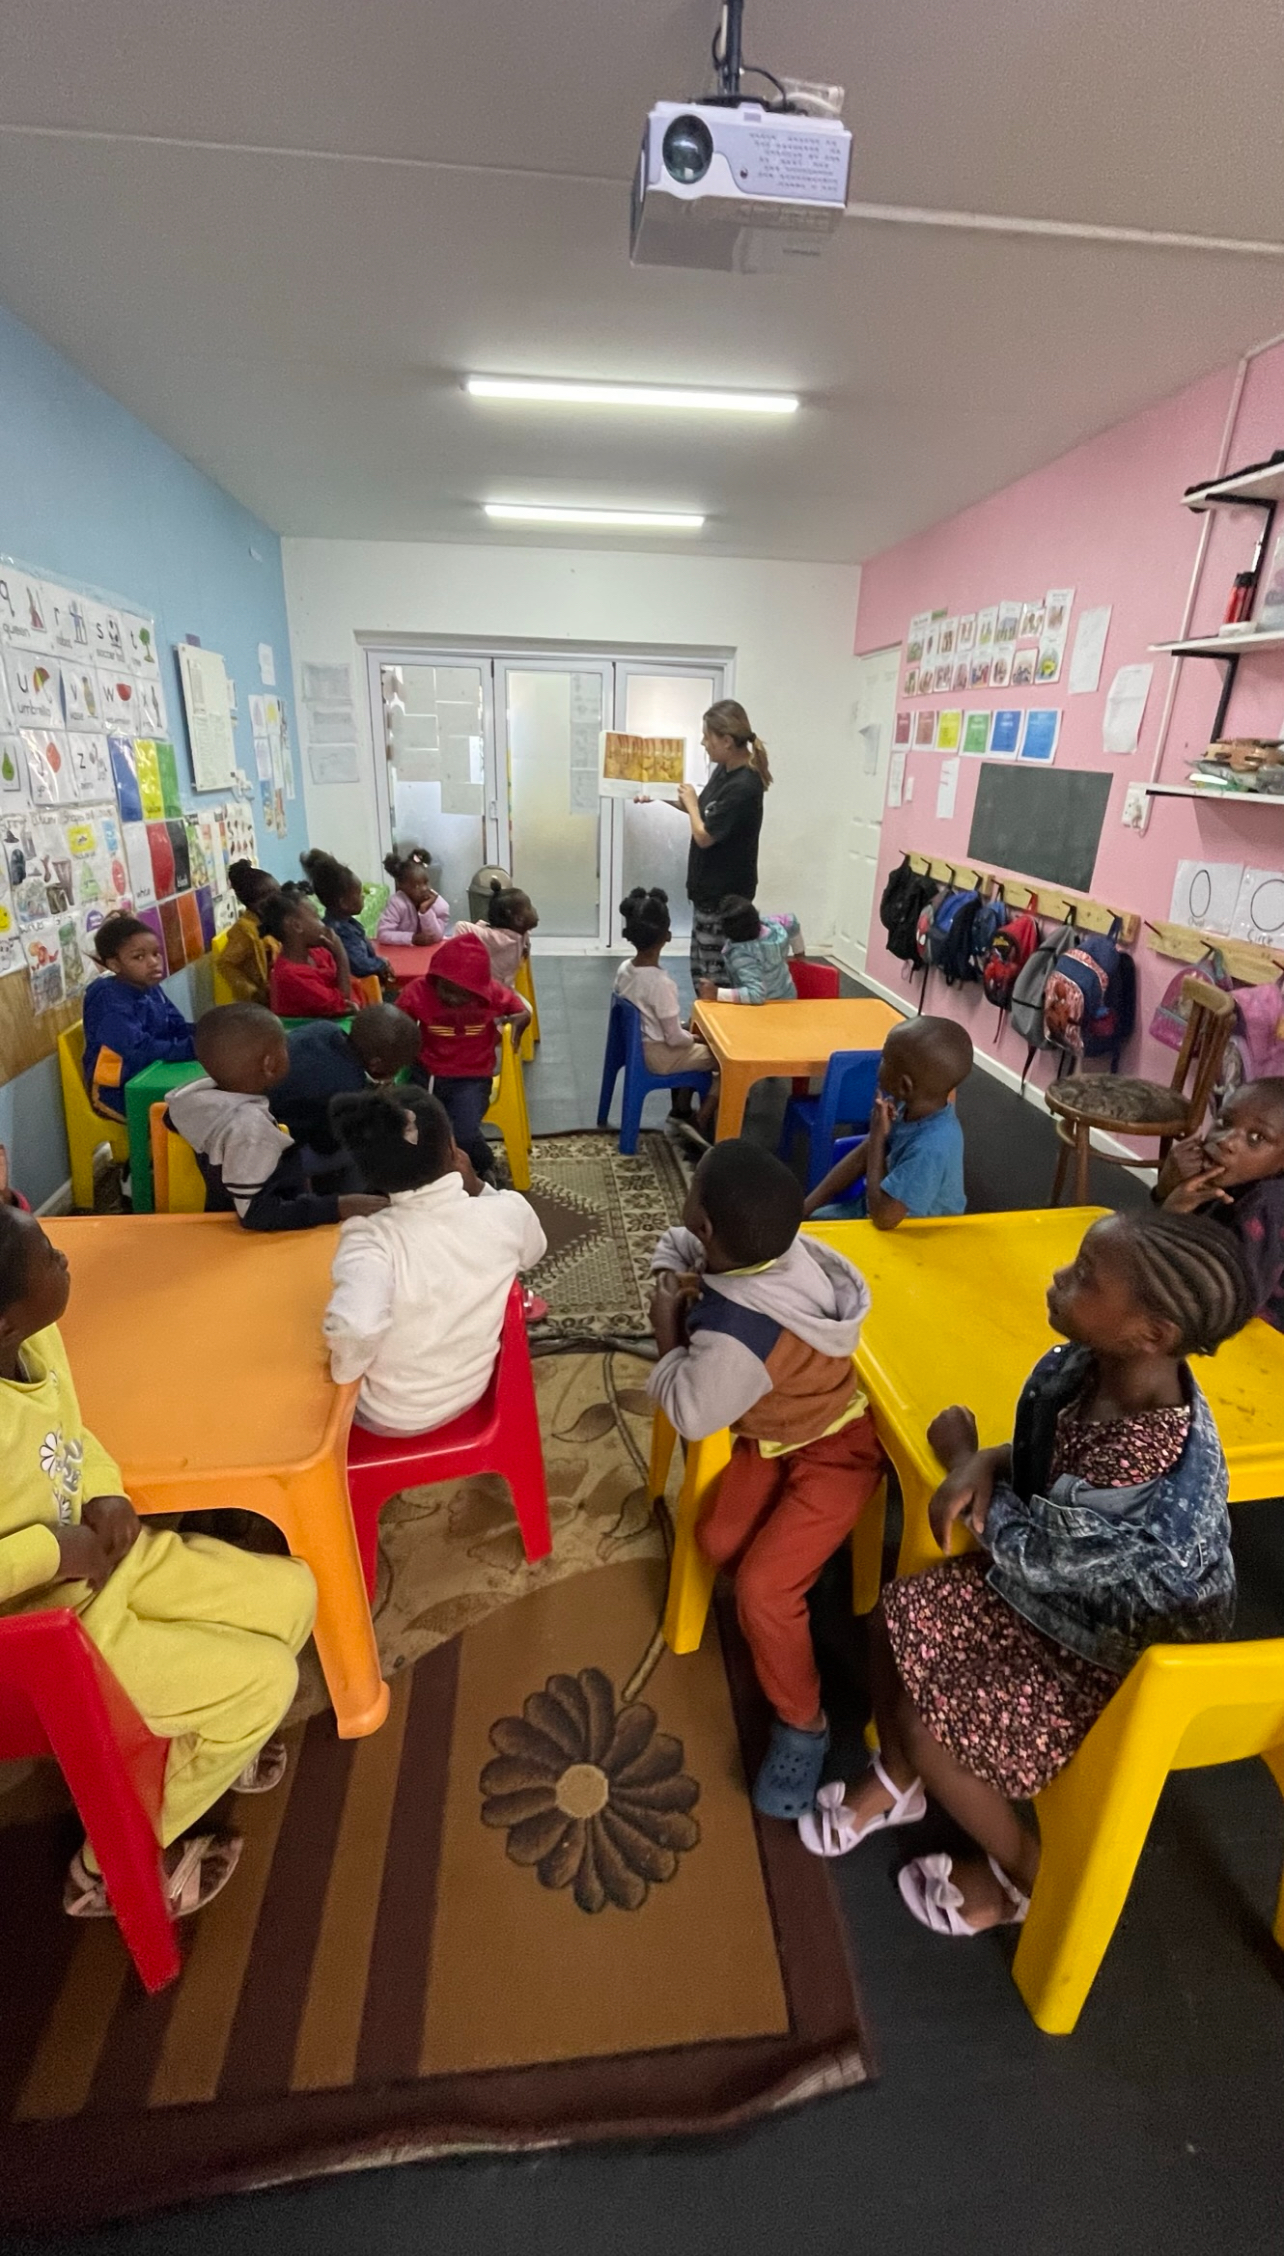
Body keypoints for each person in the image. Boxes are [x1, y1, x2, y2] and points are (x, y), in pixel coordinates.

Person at [799, 1210, 1254, 1940]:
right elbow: (1050, 1464)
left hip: (1118, 1648)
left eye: (1082, 1279)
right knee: (895, 1613)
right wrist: (987, 1461)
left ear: (1153, 1333)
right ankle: (901, 1784)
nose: (1059, 1282)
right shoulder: (1089, 1365)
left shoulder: (1143, 1455)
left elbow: (1044, 1552)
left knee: (932, 1726)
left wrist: (959, 1459)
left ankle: (1023, 1871)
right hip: (1062, 1596)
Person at [0, 1202, 317, 1923]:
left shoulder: (37, 1345)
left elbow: (74, 1438)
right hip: (41, 1635)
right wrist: (59, 1548)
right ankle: (111, 1862)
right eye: (49, 1254)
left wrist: (107, 1492)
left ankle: (190, 1741)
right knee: (263, 1685)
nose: (65, 1258)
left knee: (293, 1595)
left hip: (105, 1568)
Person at [647, 1140, 884, 1819]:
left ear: (709, 1229)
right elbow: (678, 1242)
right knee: (717, 1541)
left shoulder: (738, 1332)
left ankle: (805, 1724)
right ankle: (795, 1590)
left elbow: (693, 1411)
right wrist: (676, 1267)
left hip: (838, 1452)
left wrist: (668, 1330)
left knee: (759, 1589)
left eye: (692, 1205)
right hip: (778, 1440)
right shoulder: (776, 1247)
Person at [325, 1084, 547, 1434]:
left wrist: (342, 1370)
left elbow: (358, 1325)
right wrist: (479, 1188)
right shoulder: (505, 1211)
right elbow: (533, 1251)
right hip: (474, 1392)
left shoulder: (370, 1240)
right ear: (452, 1150)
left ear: (368, 1174)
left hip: (389, 1416)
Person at [166, 1005, 387, 1229]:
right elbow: (257, 1214)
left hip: (222, 1208)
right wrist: (337, 1206)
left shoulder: (196, 1099)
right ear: (269, 1064)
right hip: (251, 1235)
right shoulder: (251, 1130)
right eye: (285, 1045)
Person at [647, 700, 771, 991]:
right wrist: (654, 793)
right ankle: (702, 1027)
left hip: (725, 895)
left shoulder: (744, 786)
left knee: (718, 974)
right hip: (706, 892)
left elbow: (704, 835)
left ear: (726, 740)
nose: (703, 743)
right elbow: (702, 813)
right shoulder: (725, 770)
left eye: (707, 736)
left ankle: (720, 1030)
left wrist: (691, 803)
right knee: (700, 967)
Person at [803, 1016, 972, 1226]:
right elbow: (860, 1158)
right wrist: (805, 1209)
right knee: (814, 1223)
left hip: (911, 1234)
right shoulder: (906, 1107)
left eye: (885, 1059)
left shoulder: (931, 1147)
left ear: (904, 1085)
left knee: (811, 1238)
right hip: (878, 1211)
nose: (879, 1063)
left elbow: (884, 1218)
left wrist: (876, 1138)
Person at [397, 932, 529, 1181]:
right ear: (435, 979)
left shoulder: (491, 994)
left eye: (462, 994)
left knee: (464, 1132)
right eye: (445, 990)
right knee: (413, 1127)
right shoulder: (419, 991)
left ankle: (484, 1163)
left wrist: (521, 1018)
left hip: (472, 1078)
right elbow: (396, 1022)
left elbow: (520, 1009)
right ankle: (429, 1176)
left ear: (478, 990)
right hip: (428, 1073)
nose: (451, 998)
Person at [1157, 1077, 1284, 1331]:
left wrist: (1172, 1212)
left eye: (1256, 1137)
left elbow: (1220, 1303)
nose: (1226, 1141)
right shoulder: (1232, 1175)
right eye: (1224, 1122)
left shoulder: (1268, 1206)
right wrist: (1167, 1187)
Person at [613, 887, 718, 1145]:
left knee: (689, 1039)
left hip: (636, 1046)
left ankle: (681, 1109)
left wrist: (686, 1035)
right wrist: (695, 1040)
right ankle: (700, 1119)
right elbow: (674, 1039)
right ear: (667, 936)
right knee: (725, 1062)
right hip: (660, 1054)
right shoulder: (660, 983)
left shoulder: (625, 969)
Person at [81, 914, 195, 1121]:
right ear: (115, 965)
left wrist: (210, 1035)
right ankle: (155, 1154)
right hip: (117, 1092)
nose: (154, 962)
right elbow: (137, 1050)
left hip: (152, 1074)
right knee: (188, 1114)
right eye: (139, 957)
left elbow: (176, 1026)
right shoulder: (107, 999)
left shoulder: (149, 987)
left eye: (155, 953)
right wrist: (191, 1048)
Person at [270, 1005, 421, 1158]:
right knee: (358, 1153)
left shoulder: (325, 1028)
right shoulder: (350, 1090)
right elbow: (325, 1146)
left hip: (253, 1108)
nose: (396, 1073)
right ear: (376, 1064)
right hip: (271, 1145)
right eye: (398, 1066)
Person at [299, 848, 392, 988]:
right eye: (359, 893)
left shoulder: (348, 924)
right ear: (344, 903)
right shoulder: (341, 932)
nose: (363, 896)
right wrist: (382, 963)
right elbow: (360, 966)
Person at [261, 888, 354, 1021]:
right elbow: (343, 1003)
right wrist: (340, 954)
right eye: (316, 917)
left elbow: (342, 986)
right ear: (296, 926)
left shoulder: (318, 952)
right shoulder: (290, 975)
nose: (324, 925)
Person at [697, 895, 804, 1006]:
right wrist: (800, 954)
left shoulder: (742, 955)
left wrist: (717, 993)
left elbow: (756, 995)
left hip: (765, 1009)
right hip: (789, 998)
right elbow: (792, 921)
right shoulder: (773, 926)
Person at [452, 878, 539, 986]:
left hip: (504, 988)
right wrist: (459, 960)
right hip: (488, 991)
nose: (534, 910)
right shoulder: (498, 938)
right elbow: (461, 926)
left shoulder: (520, 932)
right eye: (530, 907)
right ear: (518, 919)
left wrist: (525, 945)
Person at [219, 862, 281, 1005]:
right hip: (260, 1001)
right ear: (255, 904)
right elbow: (226, 964)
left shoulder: (271, 921)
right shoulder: (244, 930)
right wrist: (251, 991)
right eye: (274, 896)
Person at [375, 851, 450, 948]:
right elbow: (383, 934)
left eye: (426, 883)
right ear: (401, 886)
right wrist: (412, 938)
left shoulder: (437, 903)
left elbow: (436, 937)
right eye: (417, 886)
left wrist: (425, 911)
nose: (424, 889)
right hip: (403, 953)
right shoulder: (397, 903)